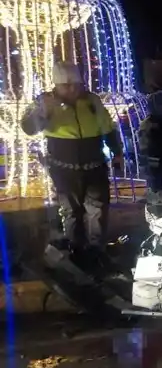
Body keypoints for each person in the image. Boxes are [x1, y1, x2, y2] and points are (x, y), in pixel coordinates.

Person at [21, 61, 122, 253]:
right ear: (56, 85)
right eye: (66, 85)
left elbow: (108, 128)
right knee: (71, 211)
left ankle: (96, 250)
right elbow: (28, 128)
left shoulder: (91, 101)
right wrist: (41, 114)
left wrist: (116, 152)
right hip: (64, 170)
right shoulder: (45, 102)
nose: (72, 89)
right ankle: (75, 248)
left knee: (98, 210)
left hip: (95, 167)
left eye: (76, 84)